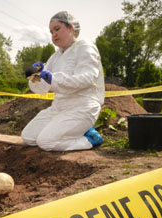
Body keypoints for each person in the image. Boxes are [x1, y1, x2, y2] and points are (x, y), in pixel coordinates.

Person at [21, 11, 105, 151]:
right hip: (59, 107)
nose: (54, 34)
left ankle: (89, 139)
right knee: (28, 137)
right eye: (51, 32)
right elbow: (42, 89)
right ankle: (75, 132)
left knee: (46, 142)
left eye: (57, 29)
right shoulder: (56, 56)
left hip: (82, 107)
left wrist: (54, 78)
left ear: (71, 27)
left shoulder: (85, 47)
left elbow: (87, 78)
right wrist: (35, 77)